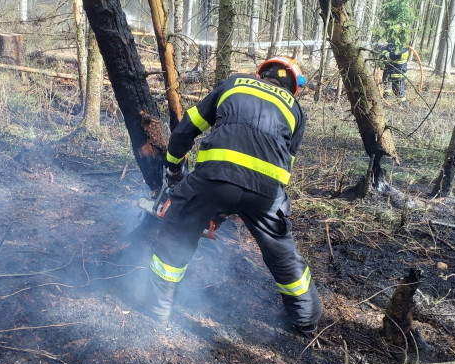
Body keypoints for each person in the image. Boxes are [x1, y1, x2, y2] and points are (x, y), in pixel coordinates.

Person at [133, 57, 322, 336]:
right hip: (267, 193)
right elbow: (284, 162)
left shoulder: (233, 84)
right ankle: (306, 320)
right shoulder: (295, 109)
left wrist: (174, 169)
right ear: (292, 86)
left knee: (176, 232)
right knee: (282, 253)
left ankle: (157, 309)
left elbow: (187, 127)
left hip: (212, 180)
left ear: (260, 75)